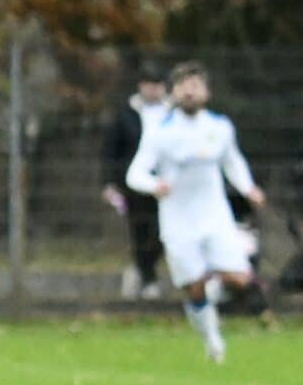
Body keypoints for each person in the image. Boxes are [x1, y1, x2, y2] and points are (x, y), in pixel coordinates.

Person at [124, 61, 267, 362]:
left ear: (207, 92)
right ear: (173, 93)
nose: (190, 92)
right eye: (183, 86)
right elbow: (134, 174)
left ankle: (211, 294)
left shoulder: (220, 127)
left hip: (215, 217)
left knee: (240, 278)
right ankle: (212, 339)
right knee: (194, 286)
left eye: (196, 86)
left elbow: (233, 162)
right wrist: (154, 185)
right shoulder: (160, 132)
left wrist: (248, 188)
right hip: (178, 222)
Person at [102, 64, 171, 299]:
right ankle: (148, 278)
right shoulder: (125, 115)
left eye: (159, 85)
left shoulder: (173, 114)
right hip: (134, 185)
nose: (155, 91)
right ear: (141, 86)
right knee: (140, 231)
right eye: (151, 85)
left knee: (164, 233)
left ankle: (142, 270)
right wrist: (109, 183)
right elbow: (110, 150)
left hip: (167, 185)